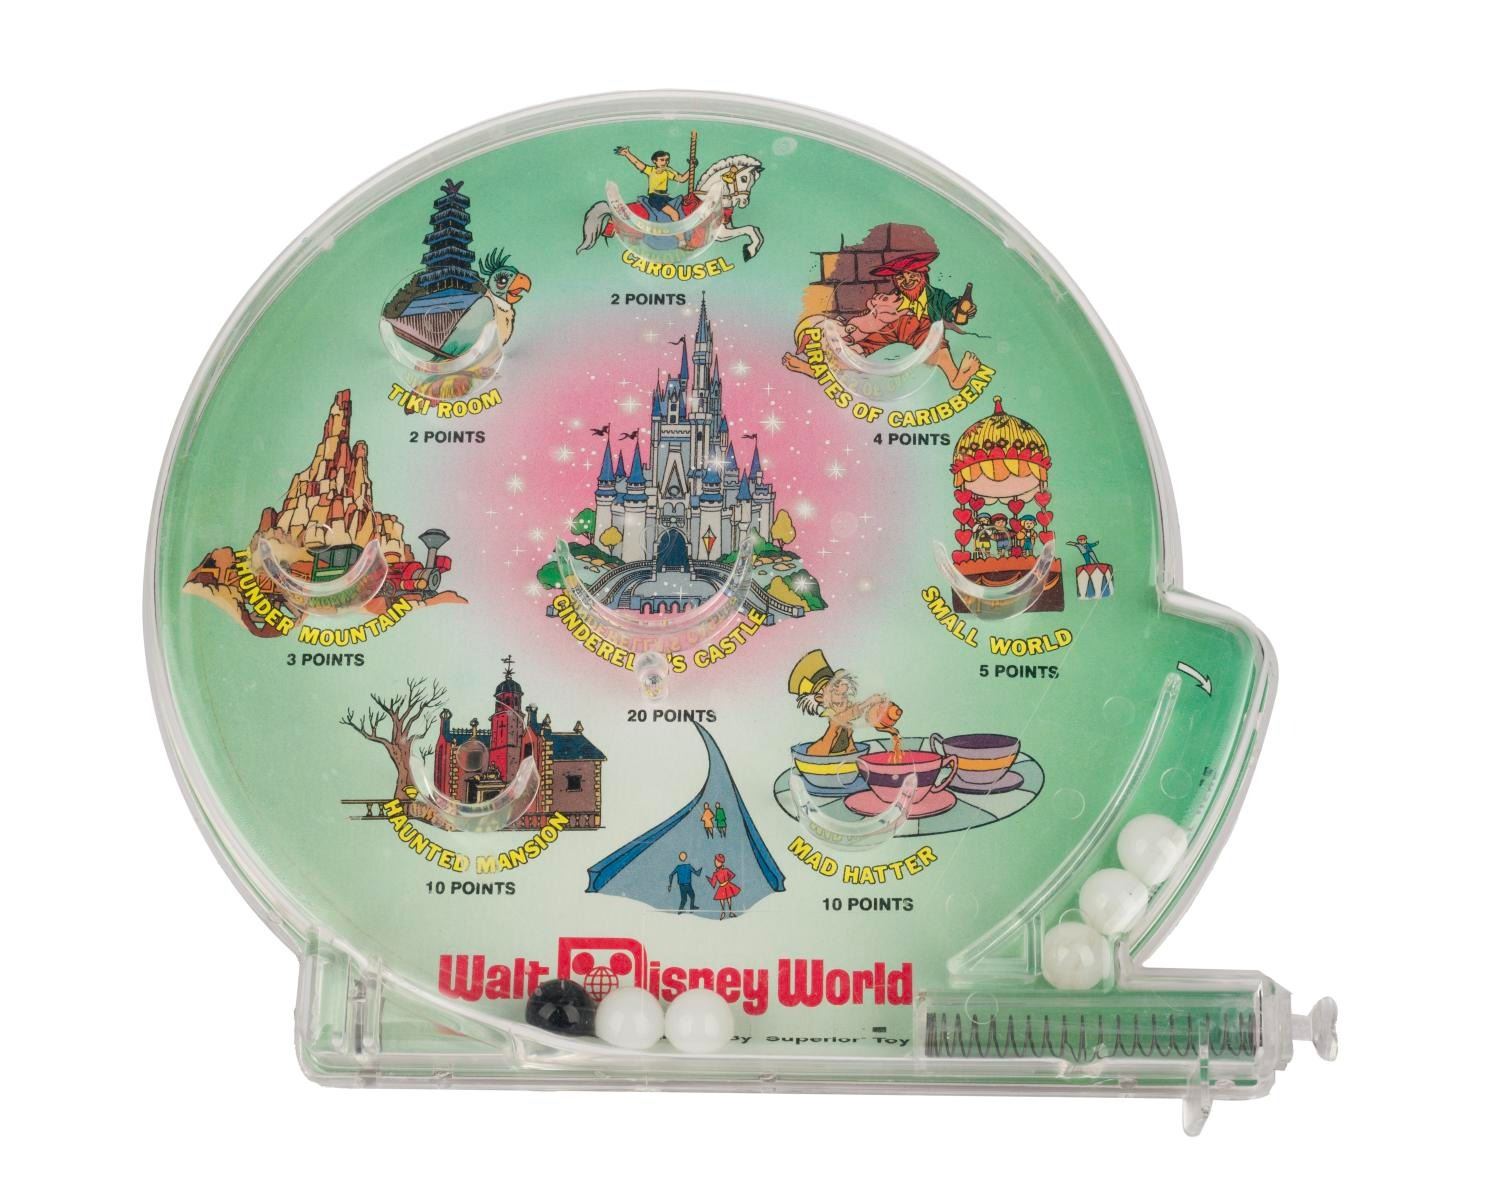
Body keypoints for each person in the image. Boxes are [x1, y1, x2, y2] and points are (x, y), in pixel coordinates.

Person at [614, 146, 692, 222]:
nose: (665, 162)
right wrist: (627, 154)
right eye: (662, 160)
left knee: (681, 205)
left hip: (665, 197)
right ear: (655, 161)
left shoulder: (667, 172)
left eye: (667, 160)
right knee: (674, 213)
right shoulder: (651, 170)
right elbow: (636, 162)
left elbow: (682, 179)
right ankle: (678, 231)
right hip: (655, 198)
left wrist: (692, 167)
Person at [707, 853, 741, 919]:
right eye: (715, 861)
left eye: (718, 861)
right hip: (721, 887)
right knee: (722, 899)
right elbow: (713, 883)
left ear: (722, 863)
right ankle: (723, 912)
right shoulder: (715, 873)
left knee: (729, 898)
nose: (716, 863)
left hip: (727, 885)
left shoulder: (726, 870)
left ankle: (730, 912)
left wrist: (727, 881)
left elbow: (732, 875)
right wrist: (709, 879)